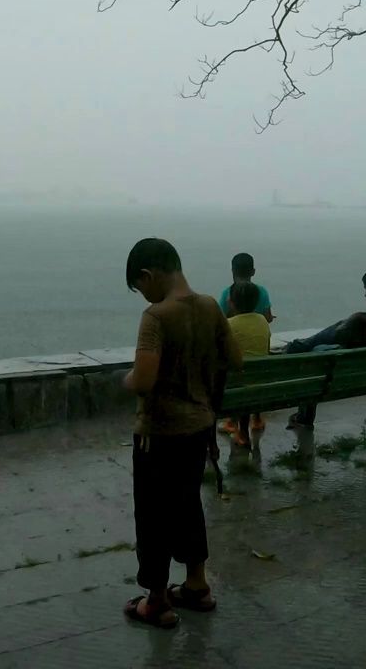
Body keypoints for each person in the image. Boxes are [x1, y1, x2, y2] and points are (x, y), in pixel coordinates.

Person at [122, 237, 243, 629]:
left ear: (148, 275)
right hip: (199, 427)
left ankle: (156, 601)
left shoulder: (157, 316)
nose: (143, 296)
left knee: (153, 515)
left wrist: (122, 380)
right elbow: (235, 359)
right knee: (188, 504)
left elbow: (143, 380)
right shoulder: (210, 306)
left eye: (140, 288)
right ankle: (196, 586)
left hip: (159, 433)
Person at [283, 265, 366, 429]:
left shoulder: (360, 321)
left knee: (315, 354)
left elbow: (330, 337)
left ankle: (304, 416)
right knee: (323, 348)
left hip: (344, 378)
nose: (365, 294)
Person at [222, 280, 272, 446]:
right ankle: (256, 419)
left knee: (238, 378)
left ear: (232, 303)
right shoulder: (262, 320)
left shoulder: (229, 324)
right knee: (251, 375)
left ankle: (243, 434)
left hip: (238, 384)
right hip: (262, 379)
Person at [218, 253, 274, 324]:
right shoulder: (262, 291)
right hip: (257, 332)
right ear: (253, 272)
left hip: (235, 333)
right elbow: (267, 318)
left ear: (233, 271)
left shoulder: (227, 293)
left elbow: (220, 320)